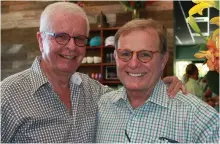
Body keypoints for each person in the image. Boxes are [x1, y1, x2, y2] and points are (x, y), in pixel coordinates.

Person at [1, 2, 185, 143]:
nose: (72, 47)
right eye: (61, 37)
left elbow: (131, 97)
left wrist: (158, 85)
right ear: (41, 40)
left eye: (80, 38)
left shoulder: (94, 92)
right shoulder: (8, 96)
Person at [96, 19, 219, 143]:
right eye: (125, 54)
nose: (133, 64)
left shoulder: (200, 118)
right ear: (116, 57)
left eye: (145, 54)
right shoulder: (101, 107)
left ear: (163, 60)